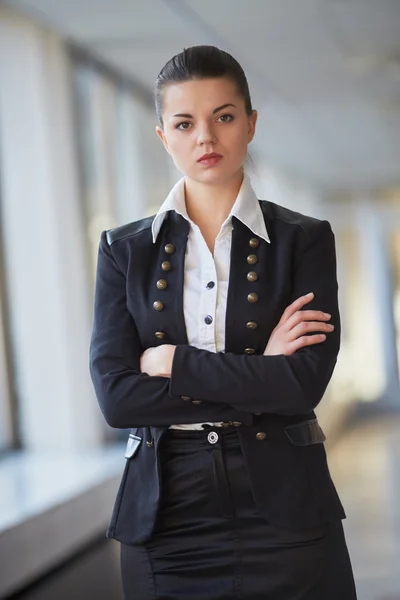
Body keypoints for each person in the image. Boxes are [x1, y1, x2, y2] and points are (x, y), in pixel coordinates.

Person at [89, 45, 357, 599]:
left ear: (251, 123)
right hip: (167, 516)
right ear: (163, 136)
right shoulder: (123, 251)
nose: (205, 138)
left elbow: (305, 383)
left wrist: (173, 365)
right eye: (184, 123)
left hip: (288, 509)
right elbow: (119, 400)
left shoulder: (304, 240)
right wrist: (261, 373)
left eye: (224, 117)